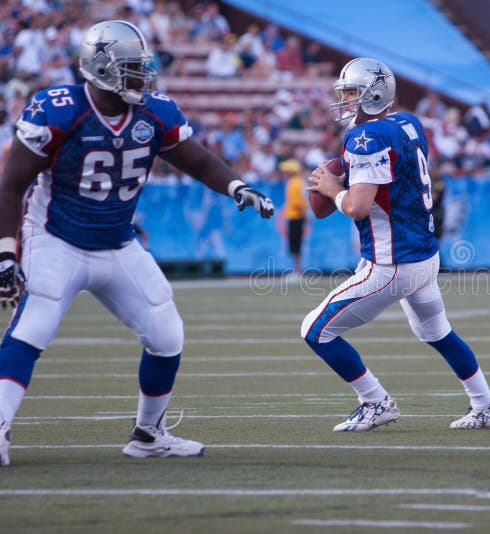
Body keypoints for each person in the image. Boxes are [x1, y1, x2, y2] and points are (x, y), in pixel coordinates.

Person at [0, 20, 275, 467]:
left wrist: (238, 187)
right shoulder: (59, 109)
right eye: (131, 69)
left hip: (117, 243)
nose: (142, 78)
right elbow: (11, 185)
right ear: (102, 70)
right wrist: (7, 252)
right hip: (55, 238)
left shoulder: (154, 112)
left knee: (167, 334)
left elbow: (198, 160)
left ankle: (149, 435)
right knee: (33, 328)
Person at [304, 57, 490, 432]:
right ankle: (487, 406)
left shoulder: (365, 137)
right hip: (425, 256)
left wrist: (334, 190)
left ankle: (375, 401)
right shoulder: (408, 123)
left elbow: (358, 206)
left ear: (373, 95)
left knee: (315, 330)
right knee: (437, 332)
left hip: (391, 263)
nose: (344, 101)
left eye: (350, 93)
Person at [280, 158, 307, 276]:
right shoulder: (299, 181)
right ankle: (297, 270)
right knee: (296, 245)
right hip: (297, 216)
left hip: (295, 217)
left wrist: (304, 214)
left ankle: (297, 271)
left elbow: (296, 203)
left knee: (295, 245)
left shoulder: (293, 183)